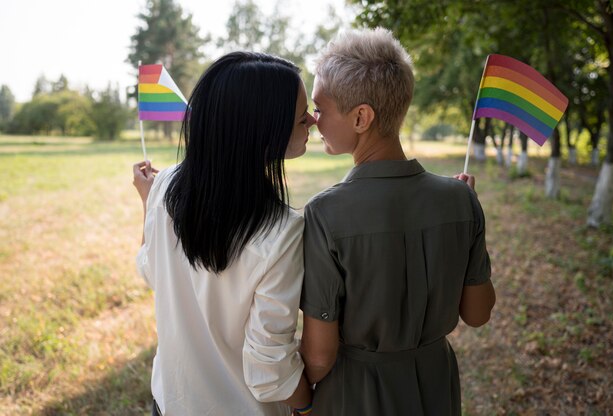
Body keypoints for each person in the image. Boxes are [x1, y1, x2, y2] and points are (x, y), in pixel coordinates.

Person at [298, 28, 496, 415]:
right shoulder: (462, 200)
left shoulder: (324, 213)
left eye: (320, 109)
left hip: (353, 395)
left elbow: (320, 354)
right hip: (435, 388)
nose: (312, 120)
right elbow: (478, 313)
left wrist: (301, 405)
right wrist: (466, 214)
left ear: (361, 117)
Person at [132, 52, 316, 416]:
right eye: (300, 116)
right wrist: (309, 406)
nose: (312, 119)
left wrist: (149, 201)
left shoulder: (166, 183)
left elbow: (151, 271)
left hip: (170, 404)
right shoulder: (282, 231)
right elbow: (270, 371)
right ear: (263, 135)